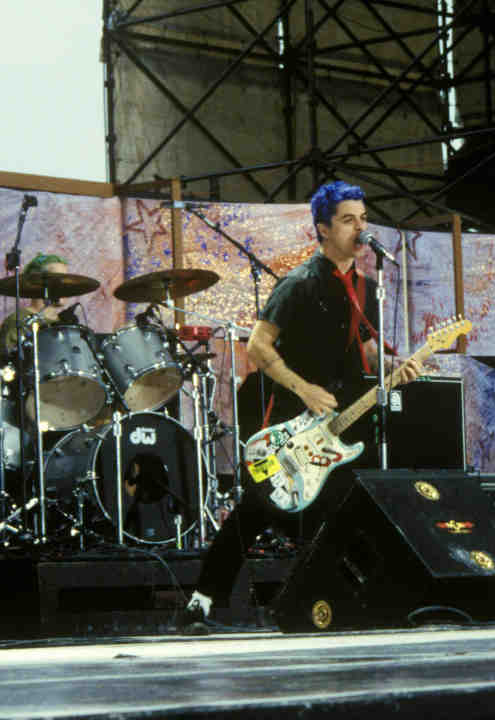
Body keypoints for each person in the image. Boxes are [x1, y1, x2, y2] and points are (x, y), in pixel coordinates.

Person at [180, 180, 421, 634]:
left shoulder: (365, 287)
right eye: (348, 220)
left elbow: (368, 350)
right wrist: (304, 388)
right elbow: (258, 346)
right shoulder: (298, 284)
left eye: (363, 219)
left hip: (338, 422)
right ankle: (201, 601)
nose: (360, 228)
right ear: (323, 229)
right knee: (257, 507)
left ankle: (339, 602)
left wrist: (395, 367)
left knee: (343, 509)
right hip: (291, 416)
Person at [0, 253, 71, 354]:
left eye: (65, 280)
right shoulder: (18, 322)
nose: (65, 285)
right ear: (37, 284)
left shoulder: (67, 325)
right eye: (58, 280)